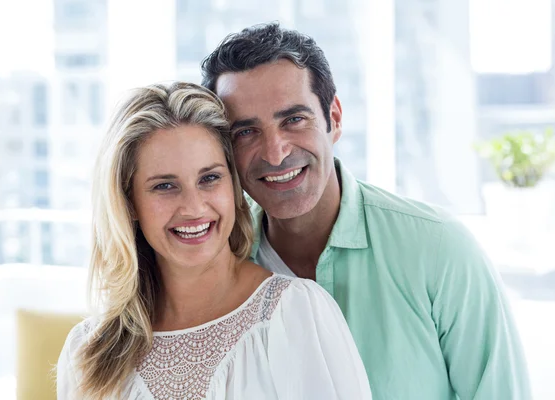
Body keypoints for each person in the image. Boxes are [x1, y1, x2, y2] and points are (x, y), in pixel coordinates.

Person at [201, 22, 532, 400]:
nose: (275, 152)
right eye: (245, 132)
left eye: (293, 120)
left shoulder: (438, 248)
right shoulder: (220, 262)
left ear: (335, 118)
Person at [56, 82, 371, 399]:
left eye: (209, 178)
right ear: (129, 202)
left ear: (232, 187)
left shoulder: (295, 314)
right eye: (165, 186)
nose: (193, 208)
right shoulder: (87, 352)